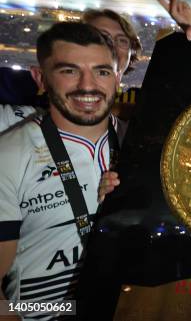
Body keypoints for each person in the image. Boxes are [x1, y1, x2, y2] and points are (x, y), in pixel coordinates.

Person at [0, 22, 120, 320]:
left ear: (117, 78)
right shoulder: (10, 154)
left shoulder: (137, 145)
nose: (88, 85)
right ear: (40, 77)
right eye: (69, 71)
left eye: (102, 71)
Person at [0, 0, 191, 133]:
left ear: (132, 52)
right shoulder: (33, 87)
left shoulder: (143, 98)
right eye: (101, 37)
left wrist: (190, 34)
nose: (110, 45)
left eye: (121, 40)